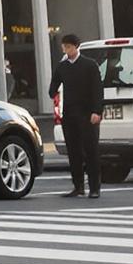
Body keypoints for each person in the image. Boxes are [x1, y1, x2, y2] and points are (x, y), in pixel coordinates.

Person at [49, 33, 105, 199]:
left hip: (87, 114)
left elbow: (97, 90)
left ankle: (95, 187)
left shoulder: (89, 65)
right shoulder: (63, 66)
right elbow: (54, 84)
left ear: (76, 47)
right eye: (64, 47)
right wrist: (53, 92)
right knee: (73, 152)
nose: (66, 50)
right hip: (69, 114)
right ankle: (78, 186)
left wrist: (97, 111)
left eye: (68, 46)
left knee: (91, 150)